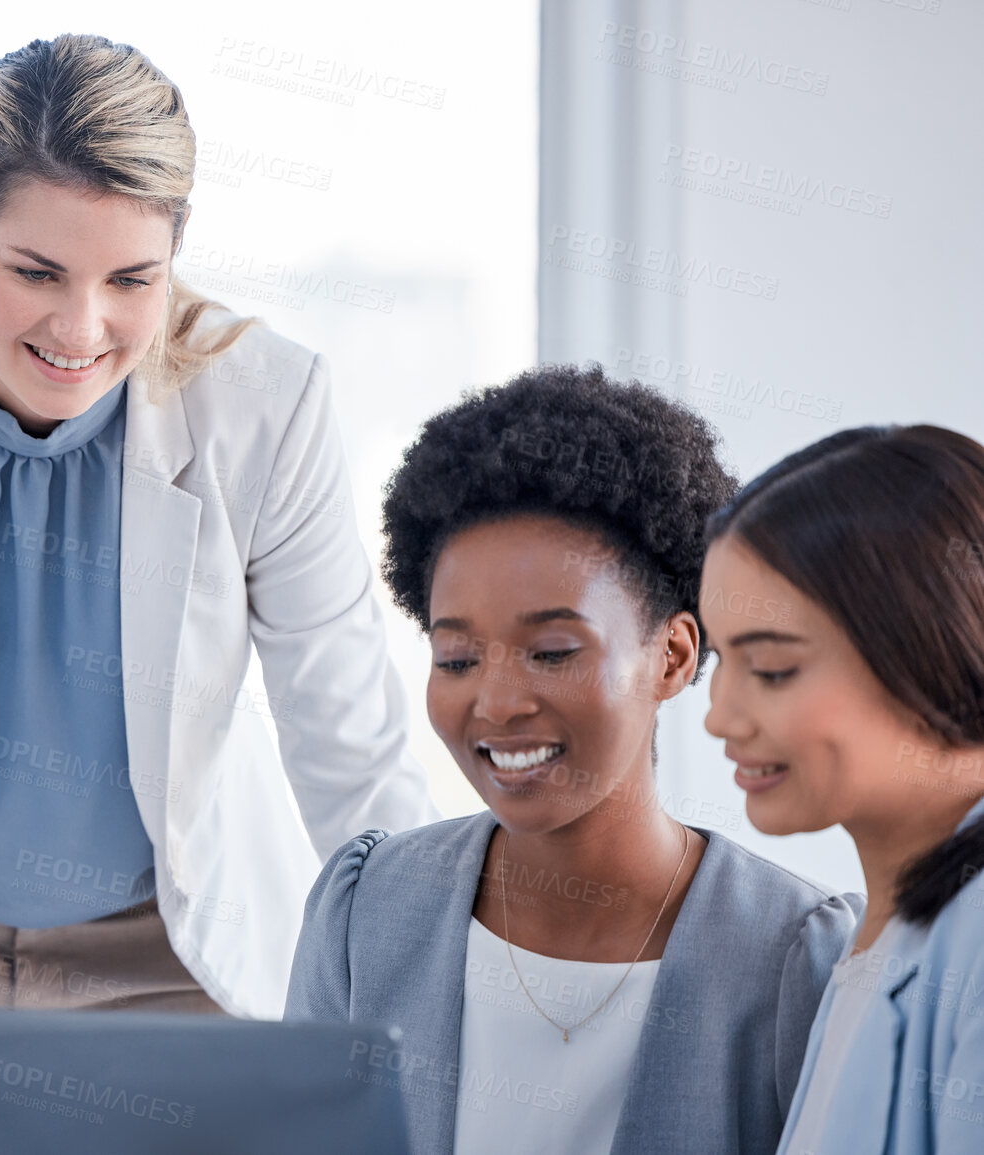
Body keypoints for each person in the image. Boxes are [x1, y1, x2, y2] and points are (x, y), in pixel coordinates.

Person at [0, 33, 434, 1018]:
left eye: (131, 281)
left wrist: (436, 983)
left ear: (177, 252)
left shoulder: (266, 406)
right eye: (39, 271)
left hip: (171, 950)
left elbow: (345, 738)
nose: (80, 329)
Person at [284, 366, 858, 1154]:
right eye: (455, 658)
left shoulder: (794, 954)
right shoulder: (365, 911)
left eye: (550, 651)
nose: (495, 702)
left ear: (673, 656)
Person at [702, 425, 984, 1154]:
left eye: (769, 669)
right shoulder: (879, 936)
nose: (719, 718)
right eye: (719, 662)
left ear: (928, 645)